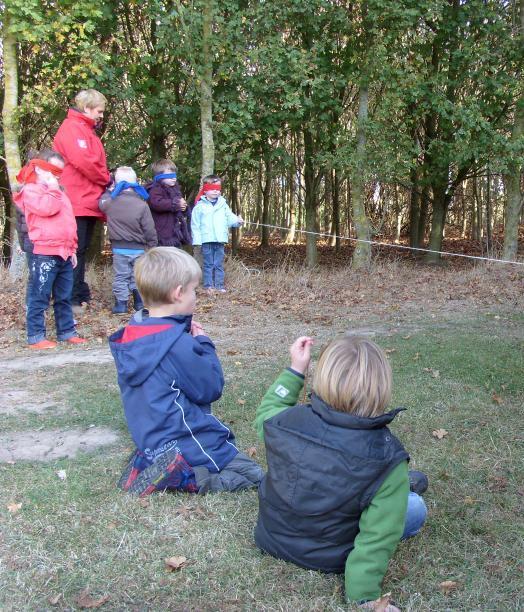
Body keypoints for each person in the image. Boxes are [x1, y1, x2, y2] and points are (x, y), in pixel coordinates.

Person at [253, 335, 428, 610]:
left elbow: (267, 410)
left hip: (271, 538)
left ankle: (396, 489)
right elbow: (376, 539)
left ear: (323, 377)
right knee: (415, 508)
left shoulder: (282, 423)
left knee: (388, 487)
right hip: (331, 555)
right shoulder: (388, 458)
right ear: (381, 388)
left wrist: (295, 370)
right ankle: (400, 491)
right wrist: (364, 597)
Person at [109, 247, 264, 497]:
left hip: (151, 438)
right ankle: (184, 477)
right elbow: (210, 388)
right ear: (178, 293)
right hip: (185, 438)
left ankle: (154, 461)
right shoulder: (177, 345)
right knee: (252, 474)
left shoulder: (135, 334)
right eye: (194, 289)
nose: (196, 296)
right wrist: (203, 343)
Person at [13, 149, 88, 349]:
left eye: (59, 172)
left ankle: (66, 331)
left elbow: (68, 222)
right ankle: (36, 335)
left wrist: (72, 248)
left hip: (64, 251)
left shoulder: (59, 192)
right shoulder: (30, 191)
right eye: (52, 170)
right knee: (40, 295)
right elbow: (47, 208)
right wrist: (54, 188)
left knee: (64, 295)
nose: (56, 175)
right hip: (44, 252)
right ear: (38, 167)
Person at [53, 89, 111, 310]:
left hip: (85, 200)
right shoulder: (72, 129)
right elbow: (84, 162)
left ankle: (77, 293)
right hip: (76, 200)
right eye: (99, 111)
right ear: (87, 108)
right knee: (74, 252)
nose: (101, 116)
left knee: (80, 250)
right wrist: (106, 178)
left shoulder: (84, 130)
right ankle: (70, 298)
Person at [99, 167, 158, 313]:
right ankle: (139, 303)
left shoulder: (111, 202)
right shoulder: (142, 205)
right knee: (136, 276)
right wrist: (152, 245)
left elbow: (100, 204)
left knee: (121, 276)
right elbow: (149, 228)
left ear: (116, 182)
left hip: (119, 248)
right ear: (135, 182)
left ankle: (121, 305)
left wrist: (109, 191)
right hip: (138, 248)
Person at [190, 175, 243, 293]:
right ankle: (208, 286)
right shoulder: (199, 207)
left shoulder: (223, 205)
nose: (215, 191)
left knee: (218, 264)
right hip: (206, 240)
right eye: (212, 188)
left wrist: (237, 221)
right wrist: (197, 241)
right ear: (205, 189)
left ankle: (219, 286)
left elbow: (230, 218)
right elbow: (195, 225)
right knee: (208, 264)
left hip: (220, 239)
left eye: (218, 188)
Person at [145, 159, 190, 248]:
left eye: (174, 175)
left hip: (175, 233)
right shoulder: (155, 189)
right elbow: (156, 203)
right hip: (163, 233)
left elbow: (180, 208)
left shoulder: (175, 190)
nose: (174, 178)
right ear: (160, 177)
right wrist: (176, 204)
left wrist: (184, 207)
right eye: (170, 176)